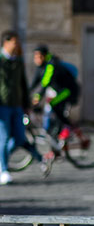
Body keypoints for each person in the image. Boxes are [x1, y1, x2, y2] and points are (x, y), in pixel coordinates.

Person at [0, 31, 50, 184]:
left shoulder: (18, 61)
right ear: (6, 43)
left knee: (20, 137)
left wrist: (27, 105)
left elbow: (23, 83)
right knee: (4, 137)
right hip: (2, 106)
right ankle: (4, 170)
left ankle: (4, 161)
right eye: (14, 42)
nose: (17, 45)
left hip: (17, 106)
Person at [30, 45, 81, 135]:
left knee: (53, 104)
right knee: (54, 111)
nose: (37, 59)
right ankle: (58, 137)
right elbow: (34, 83)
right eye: (35, 57)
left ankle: (69, 126)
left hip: (68, 90)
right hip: (60, 91)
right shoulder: (40, 67)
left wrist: (38, 97)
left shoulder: (51, 65)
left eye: (39, 56)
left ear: (45, 56)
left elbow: (45, 82)